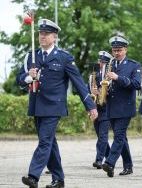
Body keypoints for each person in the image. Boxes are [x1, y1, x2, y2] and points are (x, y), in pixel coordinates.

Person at [17, 18, 98, 188]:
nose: (42, 36)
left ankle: (33, 176)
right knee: (50, 143)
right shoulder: (31, 56)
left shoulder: (64, 58)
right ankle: (59, 179)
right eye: (40, 33)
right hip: (37, 105)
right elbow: (20, 79)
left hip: (54, 106)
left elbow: (79, 83)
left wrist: (90, 105)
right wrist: (28, 77)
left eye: (46, 34)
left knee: (45, 141)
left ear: (55, 37)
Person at [102, 35, 142, 177]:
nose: (116, 53)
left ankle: (110, 162)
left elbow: (137, 84)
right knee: (122, 138)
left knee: (118, 136)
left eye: (119, 50)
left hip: (125, 107)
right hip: (112, 106)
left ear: (125, 49)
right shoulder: (109, 65)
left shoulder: (134, 65)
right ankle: (128, 166)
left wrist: (117, 78)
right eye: (114, 50)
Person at [91, 51, 112, 169]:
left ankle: (99, 160)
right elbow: (87, 90)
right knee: (100, 137)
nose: (100, 63)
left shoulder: (109, 76)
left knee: (103, 137)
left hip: (106, 109)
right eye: (100, 61)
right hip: (96, 109)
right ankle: (109, 157)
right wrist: (92, 92)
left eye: (103, 62)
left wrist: (103, 92)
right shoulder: (93, 75)